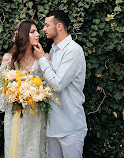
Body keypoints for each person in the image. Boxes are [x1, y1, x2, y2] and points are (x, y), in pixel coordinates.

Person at [33, 10, 87, 158]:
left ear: (59, 26)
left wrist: (42, 60)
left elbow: (58, 84)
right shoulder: (53, 51)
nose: (44, 29)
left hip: (71, 126)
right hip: (53, 126)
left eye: (46, 25)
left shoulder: (73, 51)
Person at [0, 20, 49, 158]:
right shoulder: (8, 59)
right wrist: (13, 95)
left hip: (35, 115)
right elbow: (2, 88)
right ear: (23, 36)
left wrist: (34, 94)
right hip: (15, 114)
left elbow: (49, 88)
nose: (38, 34)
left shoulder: (44, 58)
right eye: (33, 32)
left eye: (37, 31)